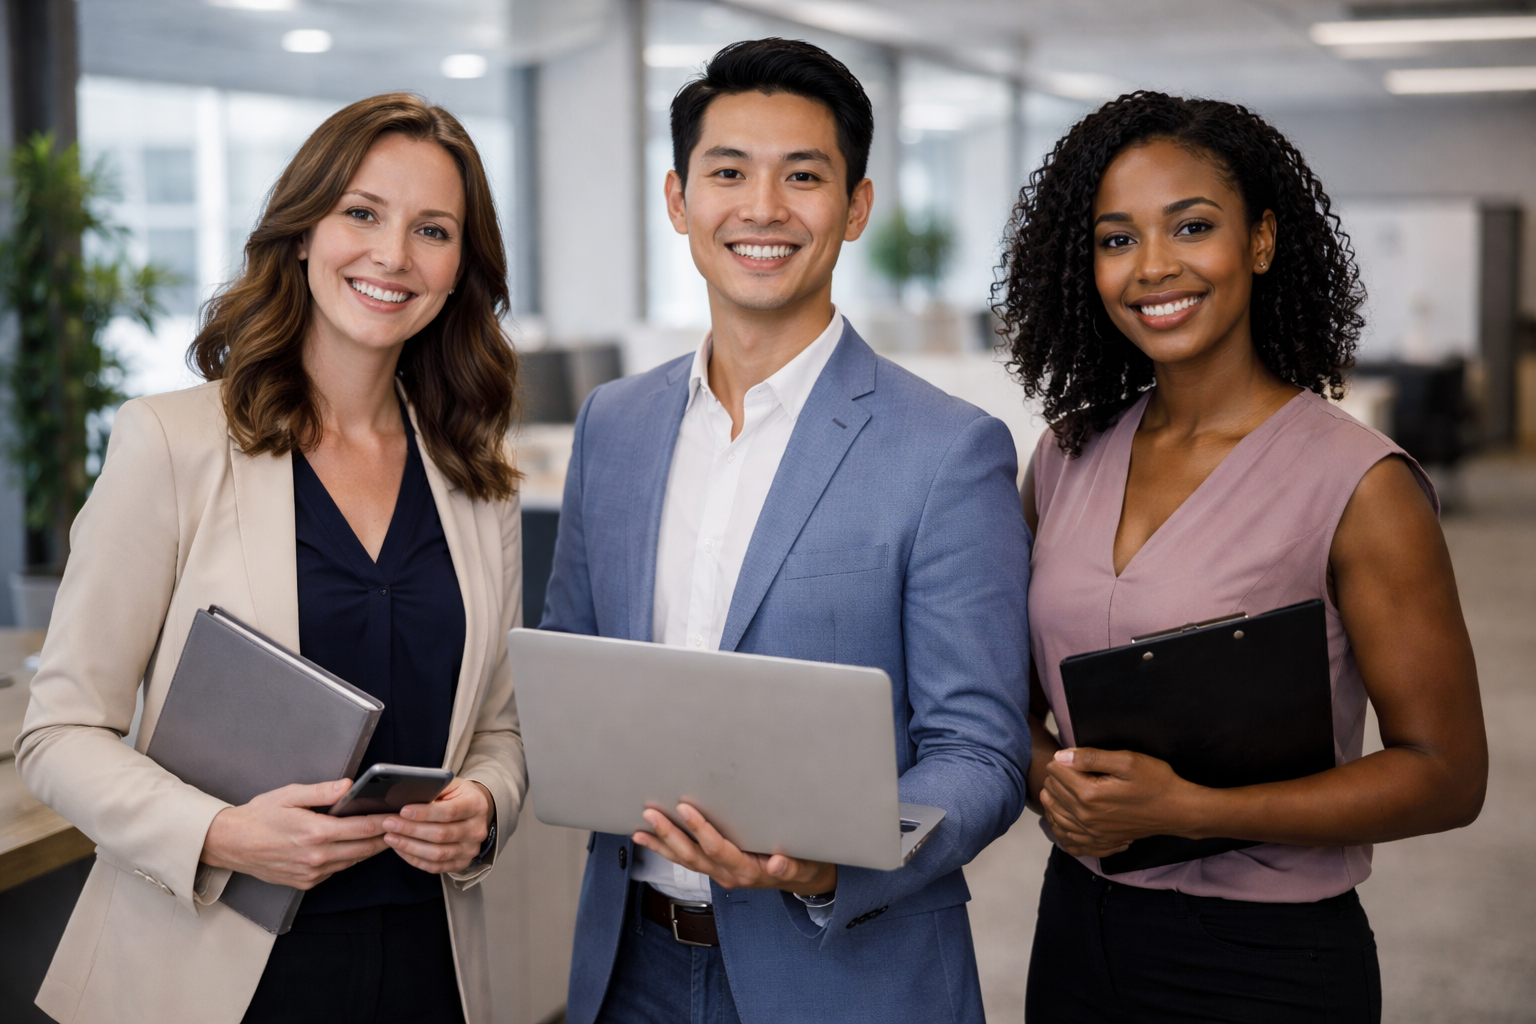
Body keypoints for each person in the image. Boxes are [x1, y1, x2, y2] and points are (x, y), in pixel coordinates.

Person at [539, 37, 1031, 1024]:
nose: (762, 208)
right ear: (678, 201)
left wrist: (826, 863)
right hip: (625, 966)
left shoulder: (949, 450)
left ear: (855, 207)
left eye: (802, 176)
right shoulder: (615, 425)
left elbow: (980, 751)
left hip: (845, 970)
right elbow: (565, 677)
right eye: (728, 173)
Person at [15, 94, 526, 1024]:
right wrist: (219, 833)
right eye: (361, 214)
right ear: (302, 232)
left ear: (461, 268)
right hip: (210, 966)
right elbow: (58, 736)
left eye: (432, 230)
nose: (392, 255)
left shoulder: (475, 472)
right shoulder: (171, 443)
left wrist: (485, 804)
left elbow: (500, 730)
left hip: (430, 962)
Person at [996, 91, 1489, 1023]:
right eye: (1116, 239)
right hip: (1076, 932)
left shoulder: (1360, 484)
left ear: (1261, 242)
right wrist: (1047, 783)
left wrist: (1191, 810)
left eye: (1192, 226)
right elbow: (1009, 703)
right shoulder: (1066, 455)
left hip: (1264, 963)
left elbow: (1446, 774)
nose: (1153, 268)